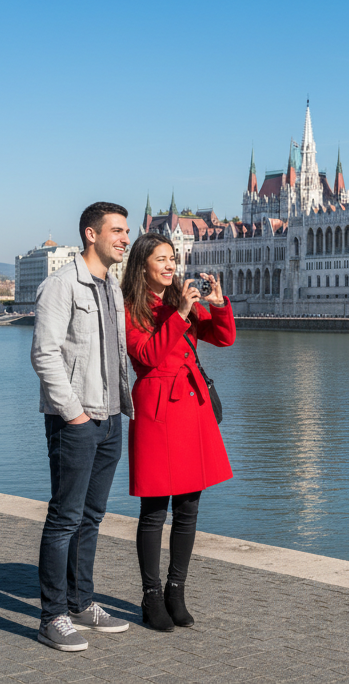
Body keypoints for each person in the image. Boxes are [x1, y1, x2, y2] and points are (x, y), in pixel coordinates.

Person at [31, 202, 133, 651]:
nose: (124, 238)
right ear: (91, 234)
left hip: (111, 419)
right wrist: (72, 412)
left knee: (92, 517)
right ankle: (51, 615)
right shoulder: (61, 284)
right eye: (116, 230)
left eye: (126, 231)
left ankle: (81, 601)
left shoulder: (110, 287)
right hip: (76, 420)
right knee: (65, 517)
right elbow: (45, 354)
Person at [120, 233, 234, 631]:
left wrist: (217, 305)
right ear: (142, 266)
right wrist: (181, 314)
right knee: (154, 510)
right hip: (155, 411)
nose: (170, 266)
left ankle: (176, 590)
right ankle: (150, 596)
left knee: (188, 508)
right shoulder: (130, 307)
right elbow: (148, 356)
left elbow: (223, 337)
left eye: (172, 258)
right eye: (161, 259)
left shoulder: (176, 301)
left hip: (190, 408)